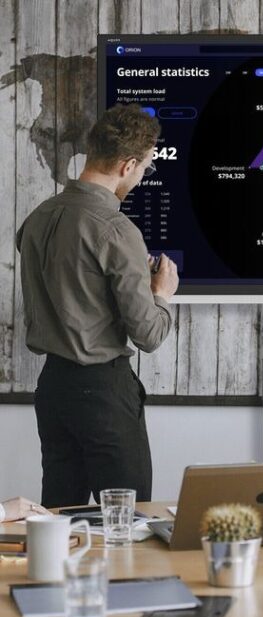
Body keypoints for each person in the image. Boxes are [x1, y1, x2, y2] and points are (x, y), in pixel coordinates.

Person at [16, 103, 179, 508]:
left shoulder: (36, 218)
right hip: (104, 393)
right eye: (144, 169)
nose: (142, 178)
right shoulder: (116, 230)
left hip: (53, 389)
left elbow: (72, 286)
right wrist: (160, 292)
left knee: (57, 521)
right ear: (127, 164)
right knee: (128, 520)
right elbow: (149, 334)